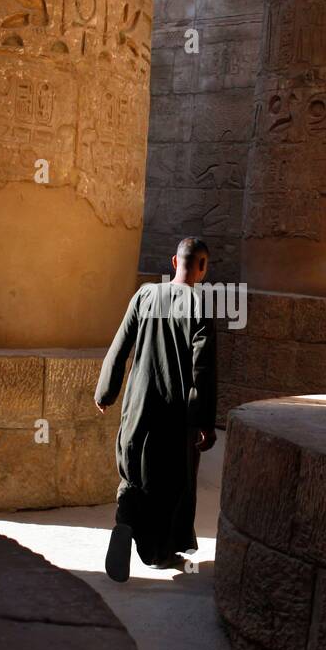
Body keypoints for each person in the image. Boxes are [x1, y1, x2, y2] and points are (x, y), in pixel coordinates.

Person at [94, 237, 218, 582]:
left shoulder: (145, 295)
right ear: (202, 267)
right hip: (175, 414)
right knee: (168, 482)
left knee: (133, 473)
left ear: (174, 262)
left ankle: (125, 524)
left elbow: (121, 344)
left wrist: (106, 392)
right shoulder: (200, 304)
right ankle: (156, 551)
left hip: (137, 405)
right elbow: (202, 369)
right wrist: (206, 421)